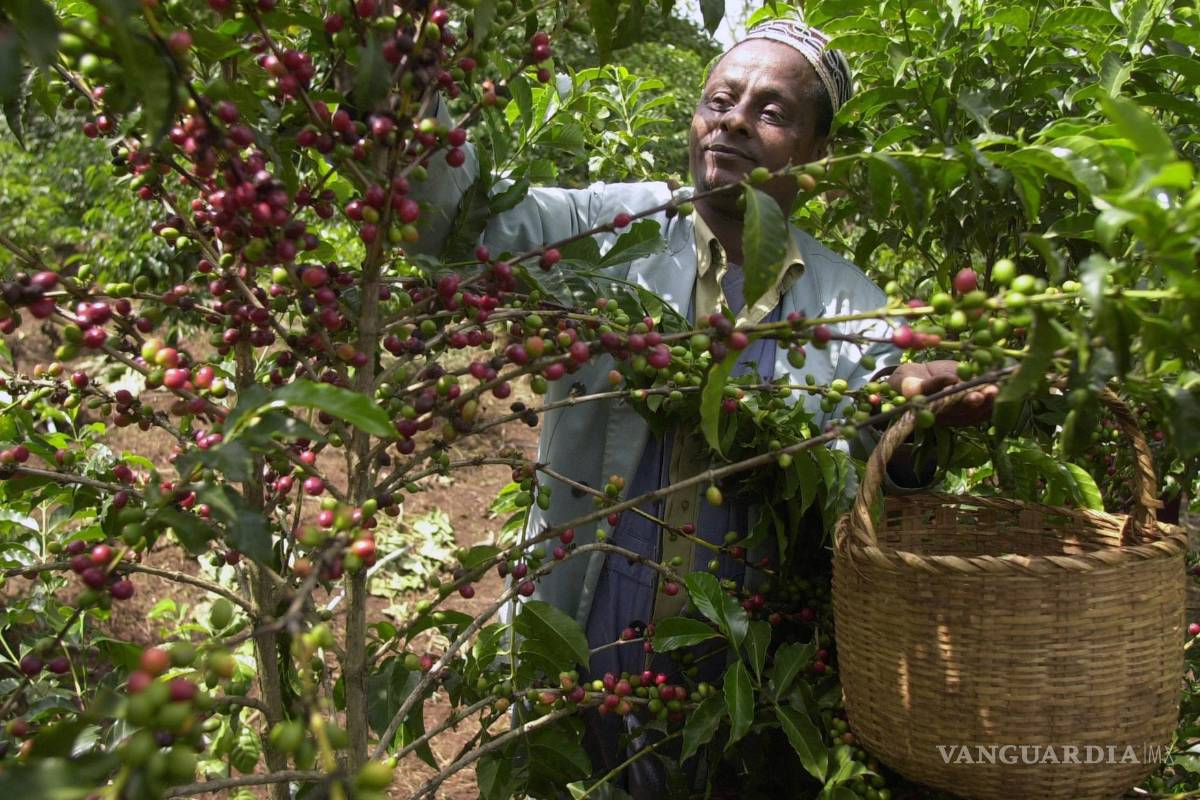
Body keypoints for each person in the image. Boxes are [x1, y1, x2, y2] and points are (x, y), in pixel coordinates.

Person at [414, 13, 997, 795]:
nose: (734, 120)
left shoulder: (851, 307)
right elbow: (453, 227)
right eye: (721, 98)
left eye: (771, 110)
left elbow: (876, 477)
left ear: (817, 152)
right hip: (575, 643)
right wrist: (413, 77)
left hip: (738, 691)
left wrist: (921, 418)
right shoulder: (607, 229)